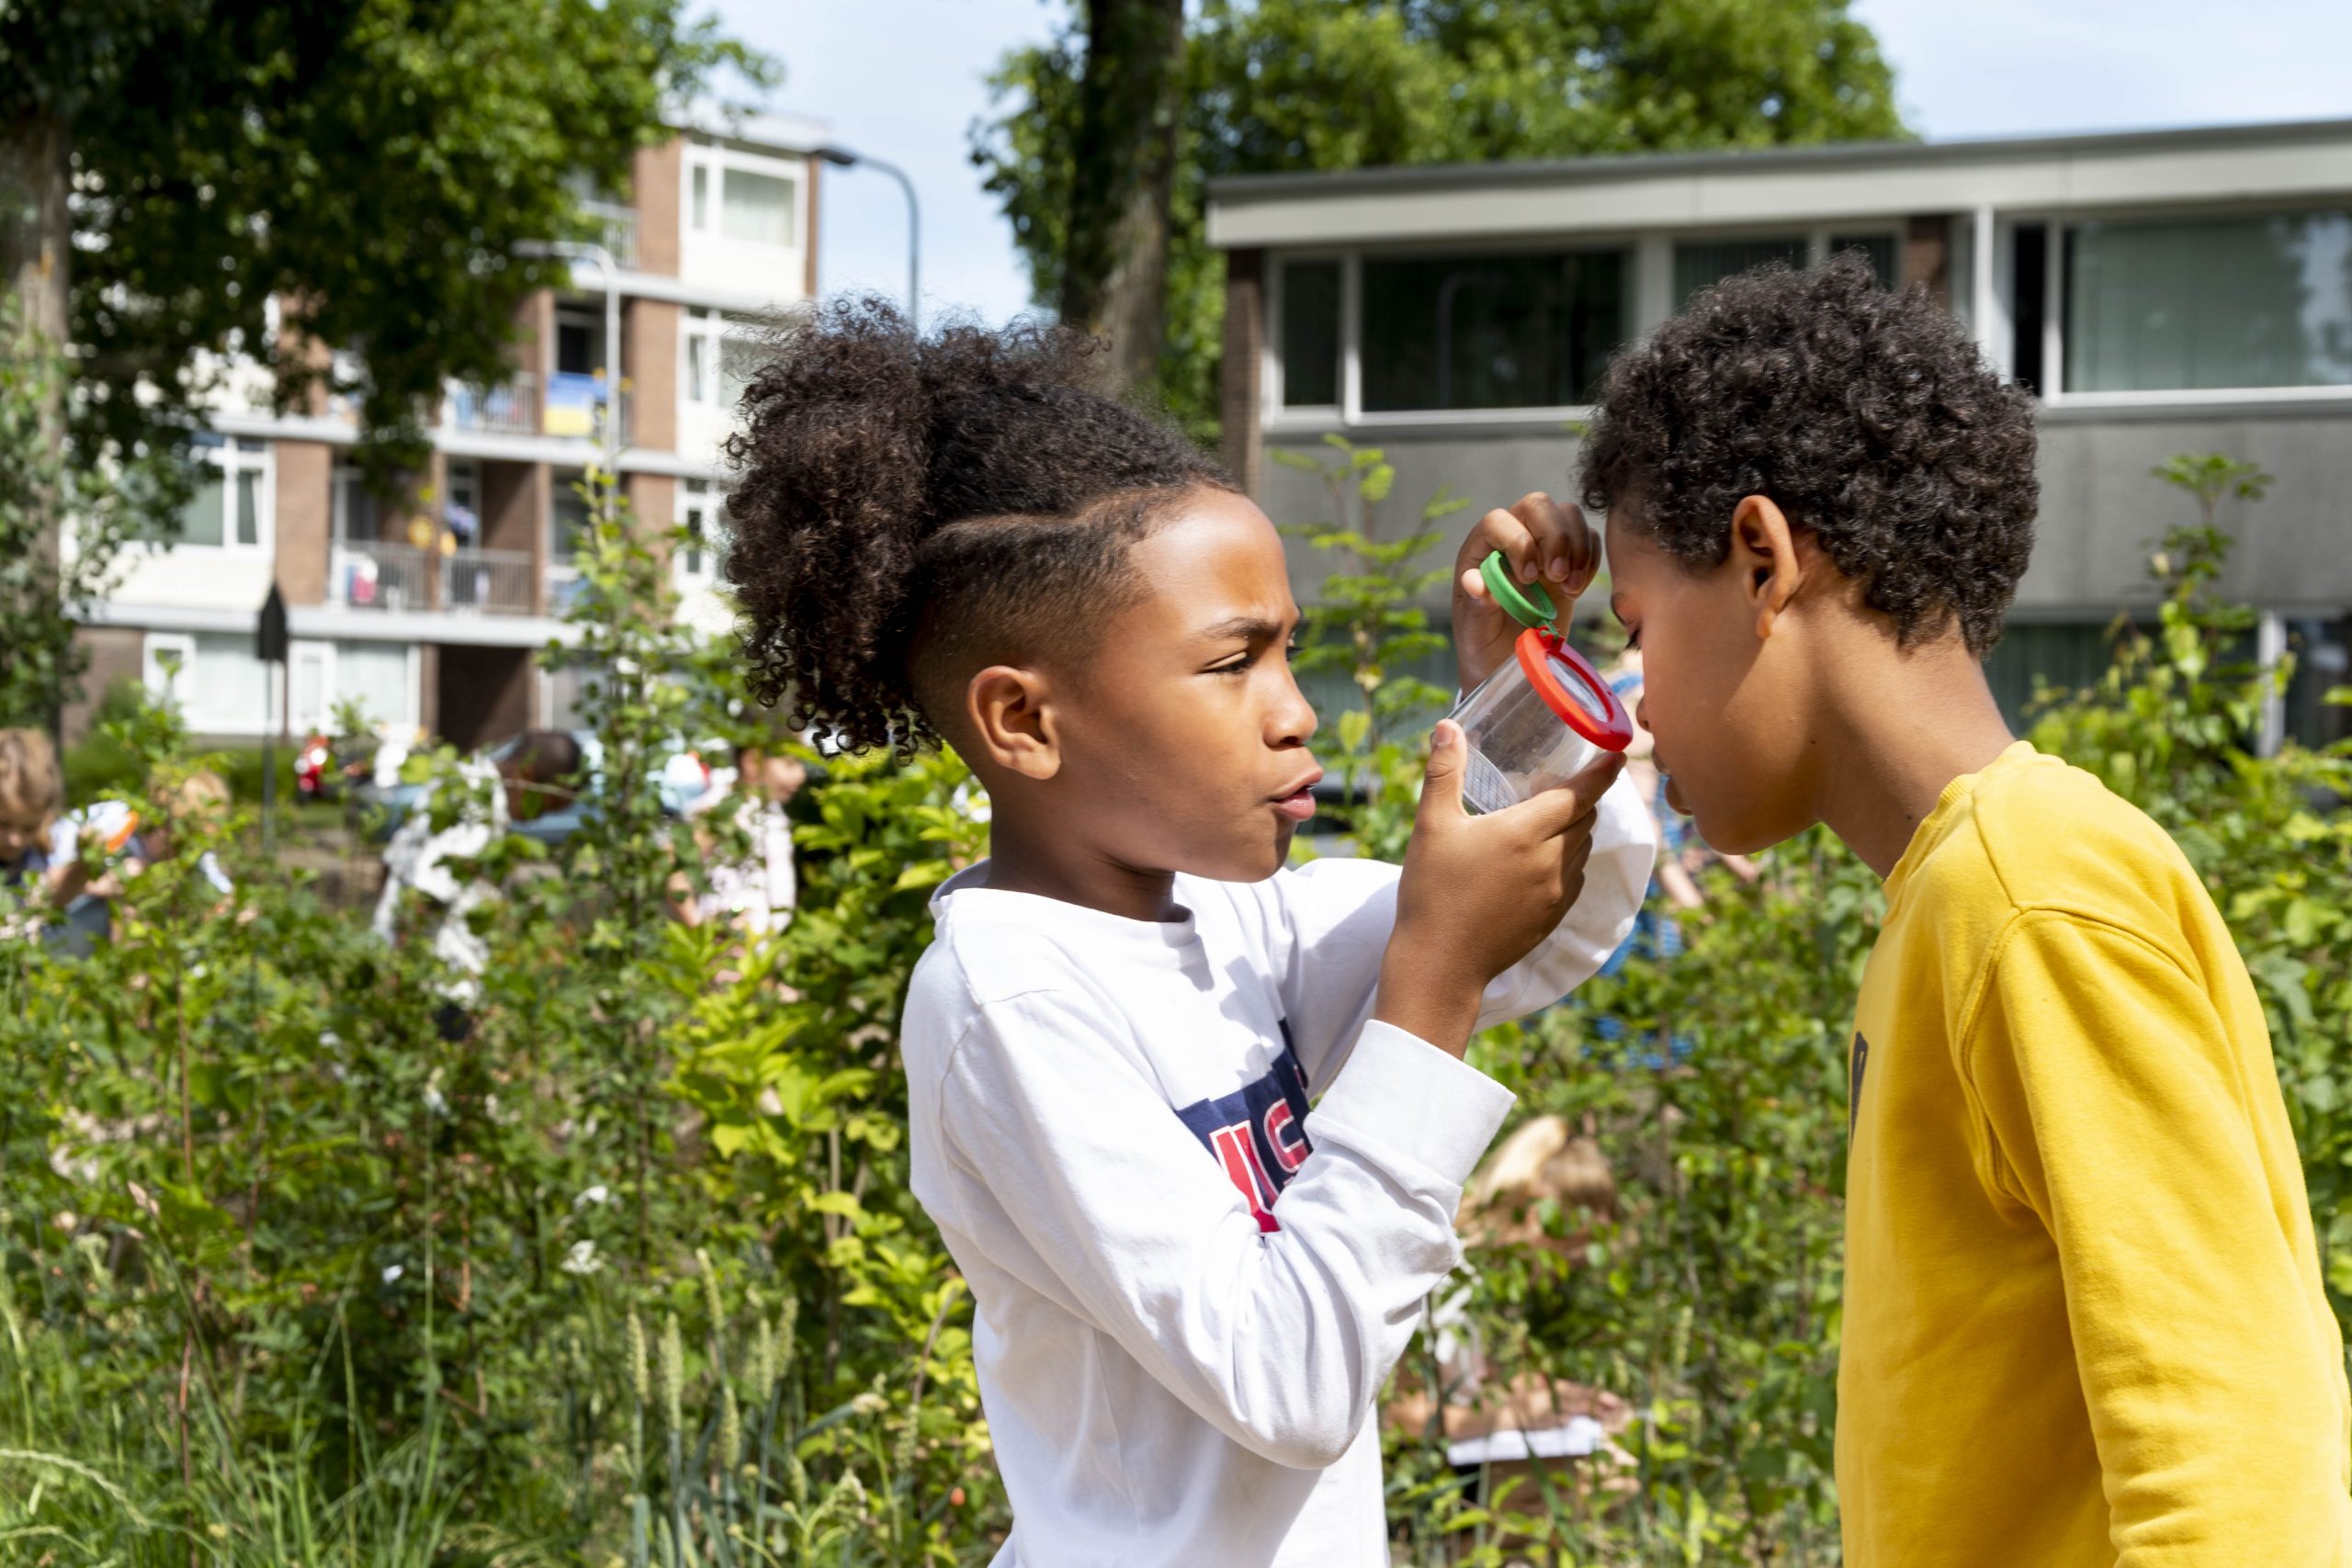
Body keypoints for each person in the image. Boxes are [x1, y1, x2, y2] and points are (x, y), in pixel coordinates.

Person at [721, 299, 1655, 1566]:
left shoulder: (1240, 916)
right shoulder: (1010, 1003)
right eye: (1234, 665)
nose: (1295, 715)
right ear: (1026, 724)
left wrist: (1509, 702)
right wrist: (1426, 987)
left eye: (1293, 653)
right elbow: (1292, 1381)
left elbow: (1540, 927)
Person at [1580, 254, 2352, 1566]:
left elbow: (2235, 1459)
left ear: (1763, 563)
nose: (1631, 699)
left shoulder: (2032, 894)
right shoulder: (1957, 892)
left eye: (1636, 626)